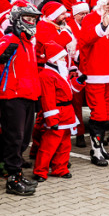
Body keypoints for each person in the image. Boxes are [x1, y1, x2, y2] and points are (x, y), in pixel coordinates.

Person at [0, 3, 43, 193]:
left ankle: (17, 173)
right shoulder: (9, 39)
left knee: (24, 138)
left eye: (34, 19)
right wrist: (5, 53)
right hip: (12, 95)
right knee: (14, 137)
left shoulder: (29, 43)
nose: (31, 22)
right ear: (17, 19)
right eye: (28, 18)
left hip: (29, 95)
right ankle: (12, 177)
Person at [75, 0, 109, 165]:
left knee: (106, 113)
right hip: (95, 73)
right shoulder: (91, 18)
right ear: (100, 4)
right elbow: (85, 39)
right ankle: (95, 151)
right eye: (107, 3)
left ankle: (100, 147)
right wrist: (102, 26)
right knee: (98, 112)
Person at [34, 43, 79, 181]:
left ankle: (60, 168)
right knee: (49, 145)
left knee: (65, 145)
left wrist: (79, 81)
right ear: (53, 59)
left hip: (66, 112)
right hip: (58, 113)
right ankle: (40, 171)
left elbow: (68, 90)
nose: (65, 60)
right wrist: (52, 119)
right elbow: (48, 99)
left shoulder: (59, 72)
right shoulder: (46, 75)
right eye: (62, 58)